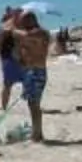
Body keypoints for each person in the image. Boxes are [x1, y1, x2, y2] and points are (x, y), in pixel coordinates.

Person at [8, 13, 51, 141]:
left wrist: (12, 28)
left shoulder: (41, 33)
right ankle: (37, 133)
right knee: (32, 104)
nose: (22, 25)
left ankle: (37, 134)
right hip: (29, 71)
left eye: (23, 22)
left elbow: (26, 35)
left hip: (37, 71)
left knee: (34, 104)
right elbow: (18, 56)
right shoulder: (28, 36)